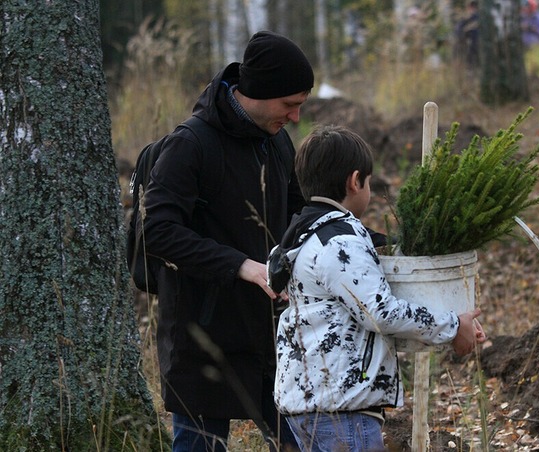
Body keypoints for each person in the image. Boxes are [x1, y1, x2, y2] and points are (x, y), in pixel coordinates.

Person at [141, 30, 313, 451]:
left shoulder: (276, 141)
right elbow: (158, 232)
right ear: (257, 92)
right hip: (203, 337)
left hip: (270, 334)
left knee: (302, 443)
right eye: (289, 105)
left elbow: (298, 215)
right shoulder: (191, 144)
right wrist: (242, 265)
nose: (294, 118)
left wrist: (356, 237)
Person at [271, 125, 487, 451]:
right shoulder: (339, 242)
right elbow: (380, 313)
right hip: (342, 409)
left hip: (310, 404)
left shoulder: (303, 234)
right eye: (369, 183)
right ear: (354, 181)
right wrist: (453, 324)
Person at [456, 0, 480, 69]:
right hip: (471, 45)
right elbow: (459, 30)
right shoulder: (465, 19)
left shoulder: (474, 18)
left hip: (473, 45)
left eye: (473, 7)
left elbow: (459, 30)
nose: (472, 9)